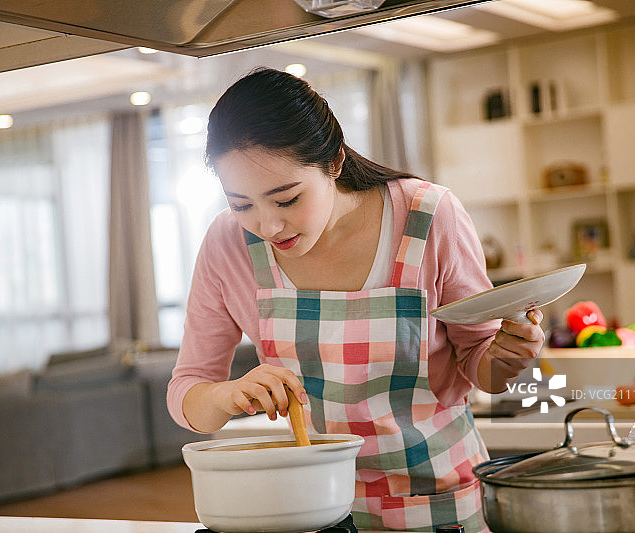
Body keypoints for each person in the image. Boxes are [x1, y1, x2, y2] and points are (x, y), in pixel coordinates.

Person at [167, 67, 545, 532]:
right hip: (317, 509)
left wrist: (508, 355)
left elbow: (479, 365)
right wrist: (226, 395)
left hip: (440, 503)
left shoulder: (427, 217)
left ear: (334, 162)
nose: (268, 226)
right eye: (241, 204)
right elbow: (187, 394)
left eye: (286, 200)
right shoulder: (227, 245)